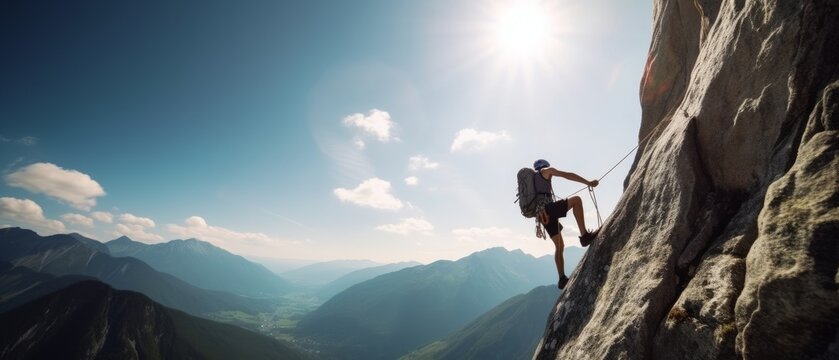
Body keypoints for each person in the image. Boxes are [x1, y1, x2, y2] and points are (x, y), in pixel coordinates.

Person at [532, 159, 599, 289]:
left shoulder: (533, 180)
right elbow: (566, 175)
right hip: (548, 210)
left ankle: (562, 279)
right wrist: (588, 182)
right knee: (577, 201)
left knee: (559, 245)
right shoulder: (546, 171)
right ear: (544, 166)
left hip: (541, 215)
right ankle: (584, 236)